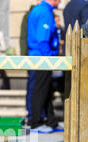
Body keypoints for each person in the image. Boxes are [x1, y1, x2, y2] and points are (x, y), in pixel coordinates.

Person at [27, 0, 61, 133]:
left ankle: (50, 121)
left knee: (45, 90)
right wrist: (49, 60)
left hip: (39, 56)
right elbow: (43, 40)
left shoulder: (40, 10)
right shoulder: (45, 12)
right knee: (40, 90)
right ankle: (36, 122)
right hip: (42, 57)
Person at [20, 0, 41, 127]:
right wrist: (25, 58)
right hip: (33, 56)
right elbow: (24, 37)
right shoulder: (31, 14)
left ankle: (36, 114)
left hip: (36, 56)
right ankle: (31, 114)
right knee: (32, 86)